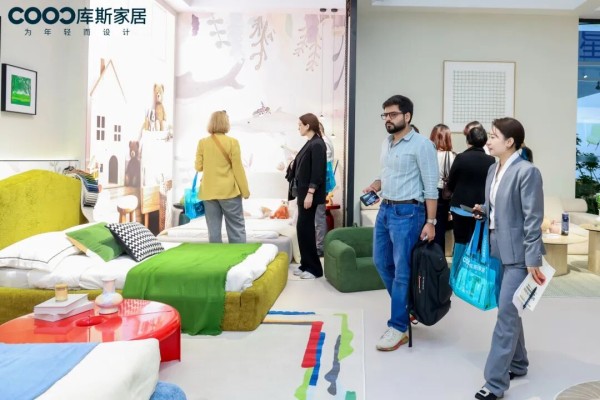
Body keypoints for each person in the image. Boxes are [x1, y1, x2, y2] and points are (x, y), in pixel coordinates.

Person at [472, 117, 546, 400]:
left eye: (494, 136)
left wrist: (533, 259)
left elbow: (532, 218)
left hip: (520, 256)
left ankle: (494, 383)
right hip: (496, 250)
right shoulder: (494, 169)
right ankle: (518, 363)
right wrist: (483, 209)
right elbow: (497, 206)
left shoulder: (527, 172)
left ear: (510, 142)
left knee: (506, 312)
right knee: (510, 310)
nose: (488, 140)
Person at [363, 95, 438, 351]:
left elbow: (431, 187)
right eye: (385, 115)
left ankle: (398, 327)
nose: (388, 119)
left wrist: (431, 221)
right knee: (380, 262)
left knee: (403, 271)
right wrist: (376, 184)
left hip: (409, 213)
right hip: (385, 209)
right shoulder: (387, 143)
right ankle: (408, 307)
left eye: (393, 114)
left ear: (407, 116)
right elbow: (386, 174)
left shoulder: (422, 145)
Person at [195, 110, 250, 243]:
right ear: (226, 123)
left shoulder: (202, 142)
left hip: (209, 192)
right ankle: (239, 256)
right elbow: (238, 169)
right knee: (236, 229)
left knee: (213, 232)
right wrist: (245, 191)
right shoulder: (232, 142)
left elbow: (198, 167)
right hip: (229, 192)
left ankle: (216, 256)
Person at [447, 126, 495, 266]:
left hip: (460, 208)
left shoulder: (461, 157)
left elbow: (451, 182)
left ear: (468, 140)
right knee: (477, 242)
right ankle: (474, 273)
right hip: (479, 210)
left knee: (460, 241)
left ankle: (457, 272)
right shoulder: (491, 160)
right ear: (485, 141)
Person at [287, 113, 327, 279]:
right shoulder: (310, 142)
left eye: (300, 125)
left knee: (307, 229)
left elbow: (317, 172)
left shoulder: (317, 144)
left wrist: (310, 193)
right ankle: (305, 264)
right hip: (303, 193)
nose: (298, 128)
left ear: (307, 125)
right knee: (302, 229)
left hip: (309, 194)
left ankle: (314, 269)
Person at [429, 123, 455, 254]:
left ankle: (426, 257)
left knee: (428, 225)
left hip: (428, 192)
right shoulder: (452, 156)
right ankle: (438, 257)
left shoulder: (428, 154)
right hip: (444, 194)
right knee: (440, 228)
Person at [315, 122, 335, 257]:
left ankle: (320, 247)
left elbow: (323, 164)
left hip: (321, 185)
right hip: (321, 184)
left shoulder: (324, 143)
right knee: (318, 216)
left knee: (319, 216)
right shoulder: (324, 141)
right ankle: (319, 245)